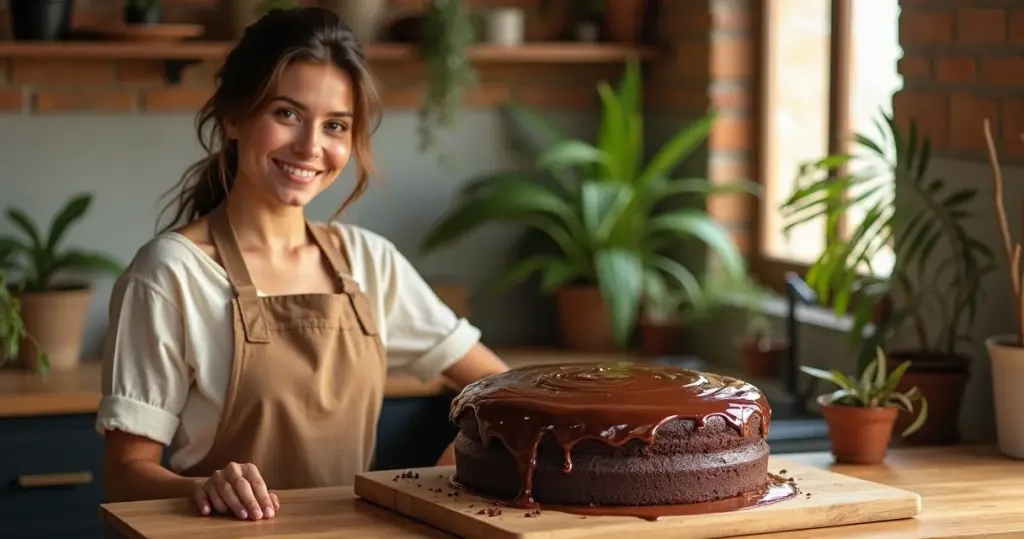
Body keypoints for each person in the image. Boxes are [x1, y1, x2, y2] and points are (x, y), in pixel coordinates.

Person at [95, 6, 509, 522]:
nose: (311, 147)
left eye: (335, 125)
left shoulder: (368, 262)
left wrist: (453, 471)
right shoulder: (170, 274)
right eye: (287, 113)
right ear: (234, 116)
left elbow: (500, 390)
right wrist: (201, 487)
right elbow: (124, 471)